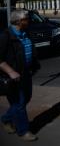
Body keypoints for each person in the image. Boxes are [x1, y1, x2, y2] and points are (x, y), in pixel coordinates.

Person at [0, 10, 40, 141]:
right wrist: (11, 71)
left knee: (26, 99)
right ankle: (23, 131)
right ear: (18, 21)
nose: (28, 21)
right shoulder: (6, 36)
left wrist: (34, 65)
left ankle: (6, 119)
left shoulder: (25, 33)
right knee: (19, 103)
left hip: (26, 73)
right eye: (26, 19)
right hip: (13, 77)